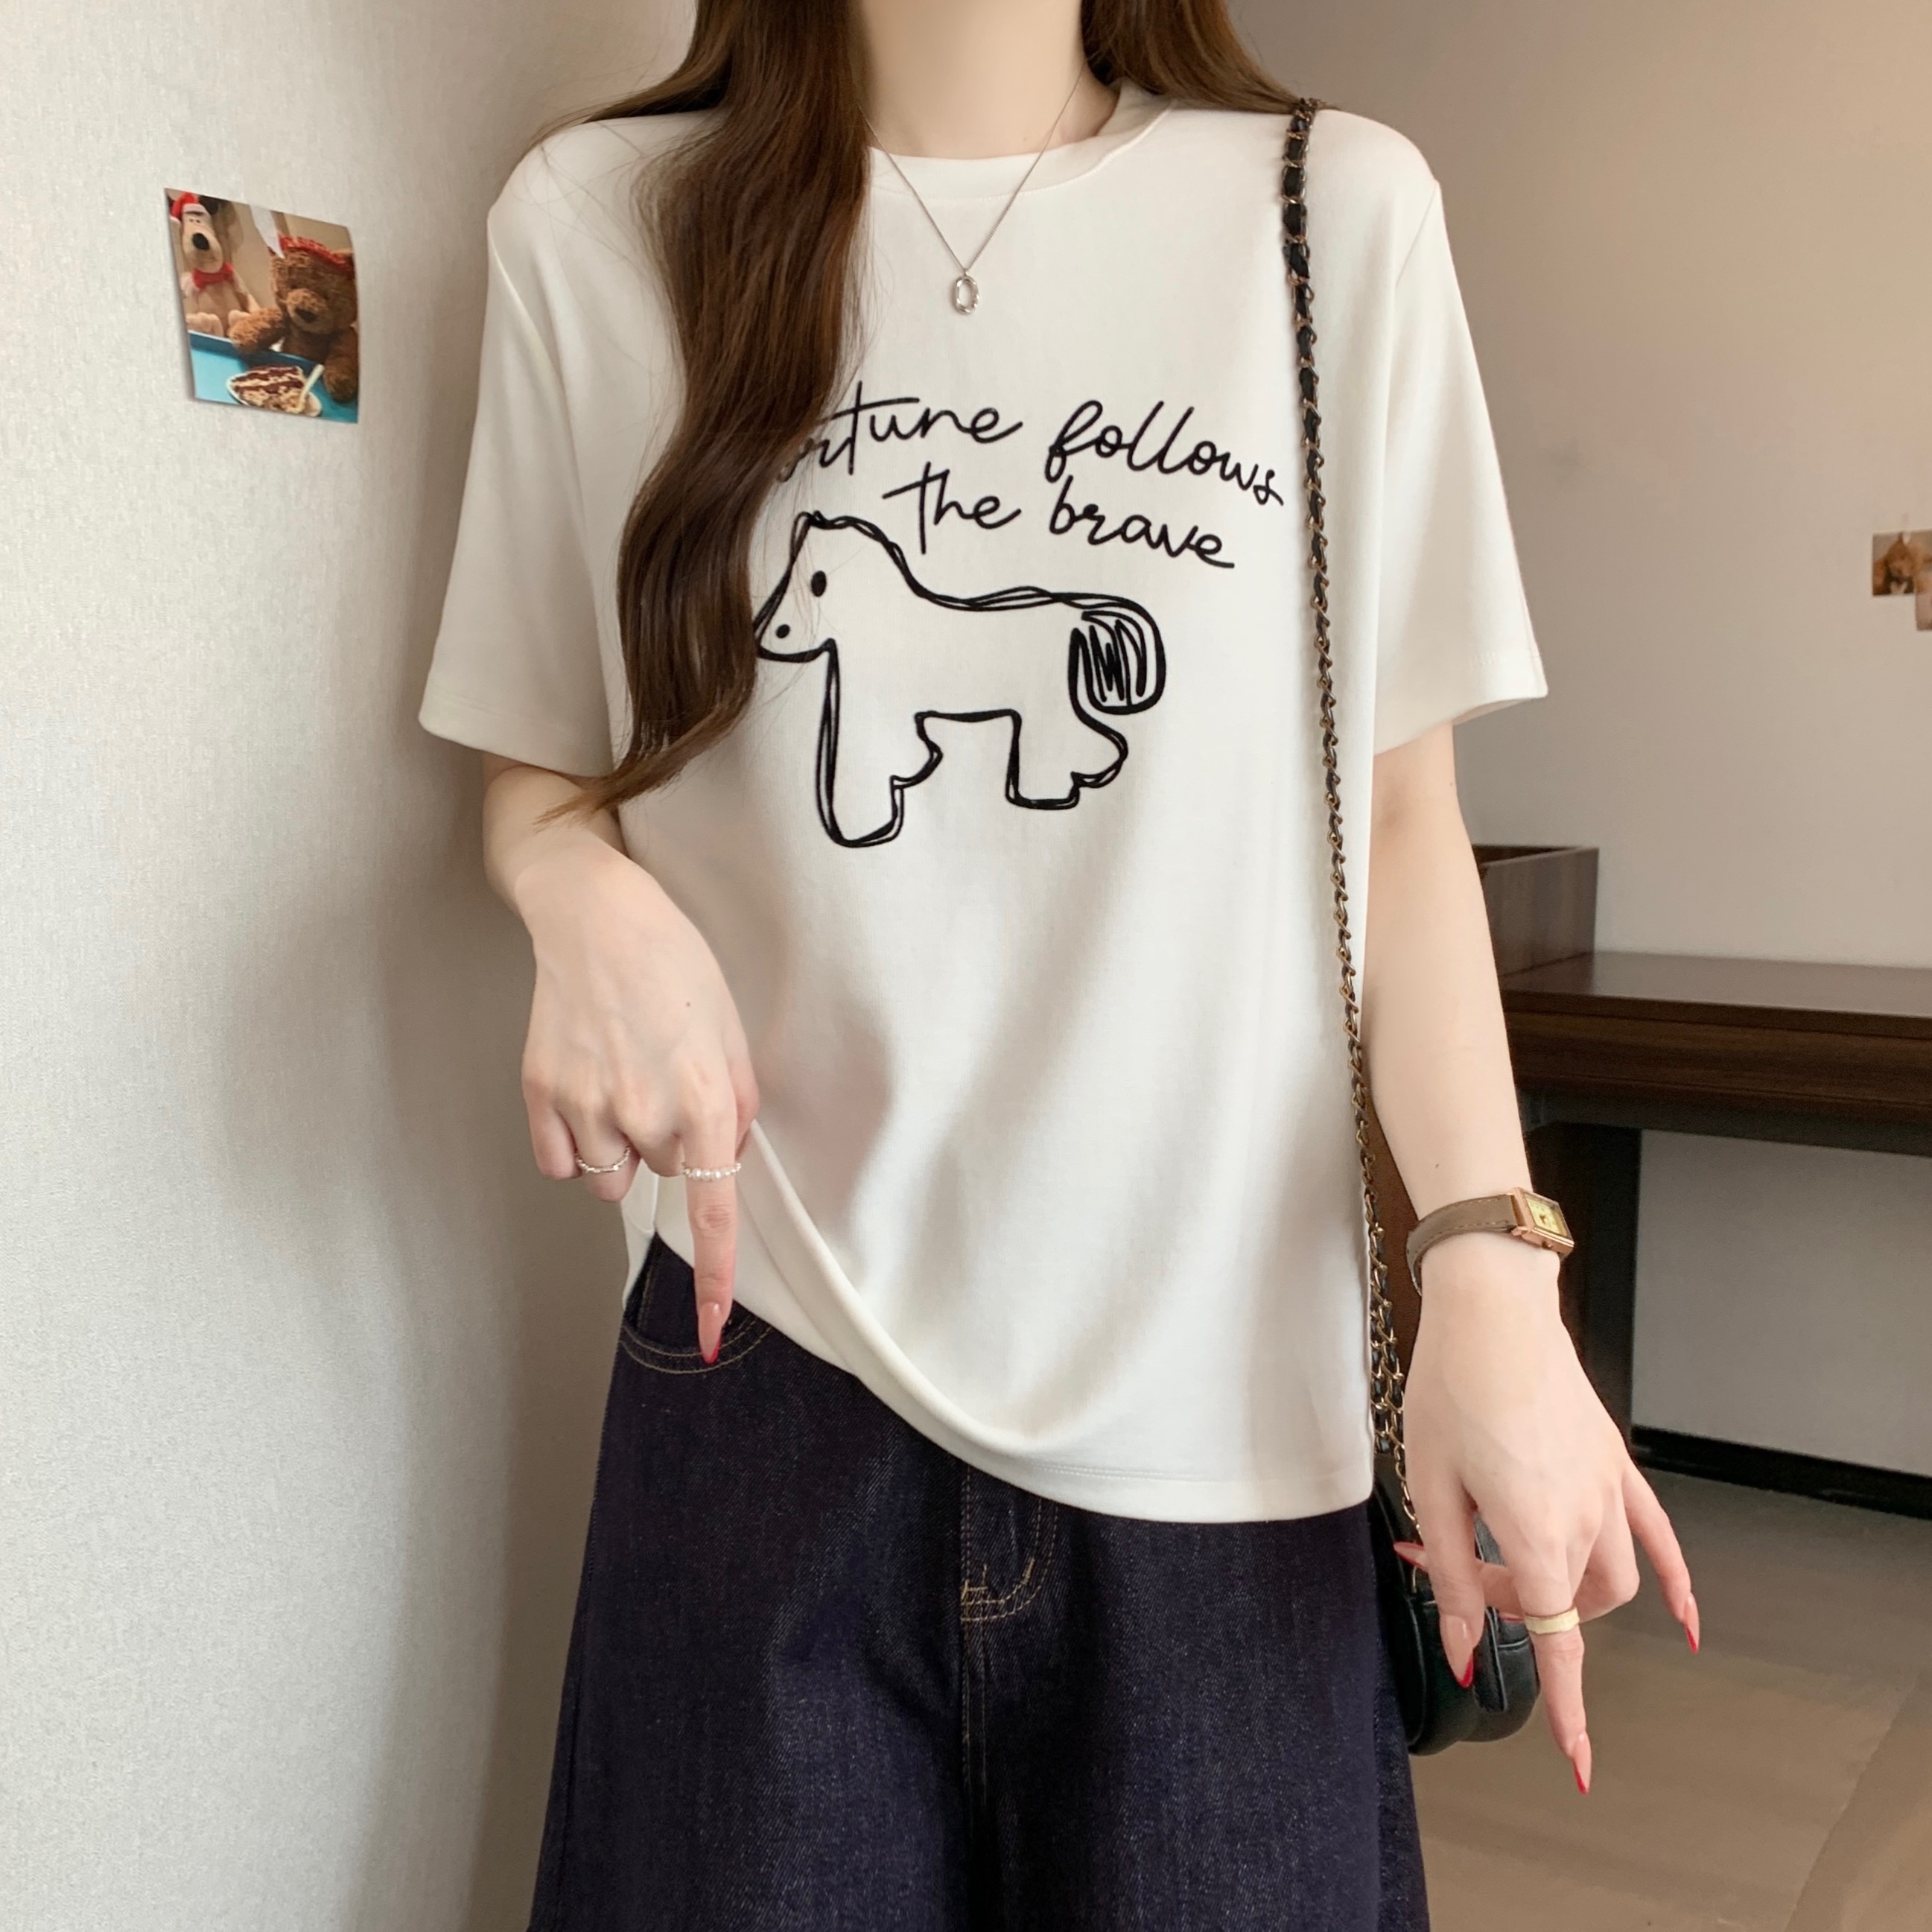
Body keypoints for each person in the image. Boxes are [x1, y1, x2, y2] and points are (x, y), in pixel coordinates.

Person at [421, 1, 1697, 1924]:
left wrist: (1489, 1269)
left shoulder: (1329, 214)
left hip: (1222, 1408)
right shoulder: (596, 227)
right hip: (766, 1367)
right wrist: (569, 889)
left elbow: (1400, 820)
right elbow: (537, 759)